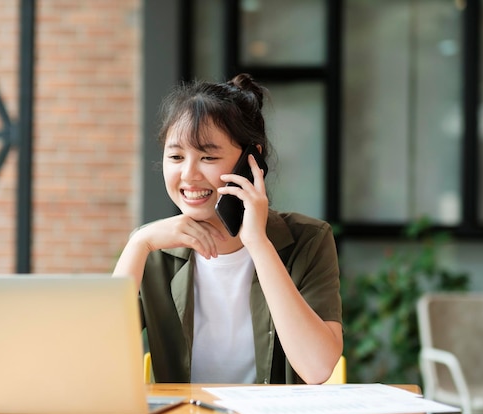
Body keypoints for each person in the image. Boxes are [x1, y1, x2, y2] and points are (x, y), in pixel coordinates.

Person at [113, 73, 342, 384]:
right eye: (176, 156)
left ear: (251, 161)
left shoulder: (309, 239)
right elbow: (98, 360)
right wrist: (138, 243)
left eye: (208, 156)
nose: (189, 174)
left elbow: (316, 368)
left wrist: (258, 244)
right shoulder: (153, 249)